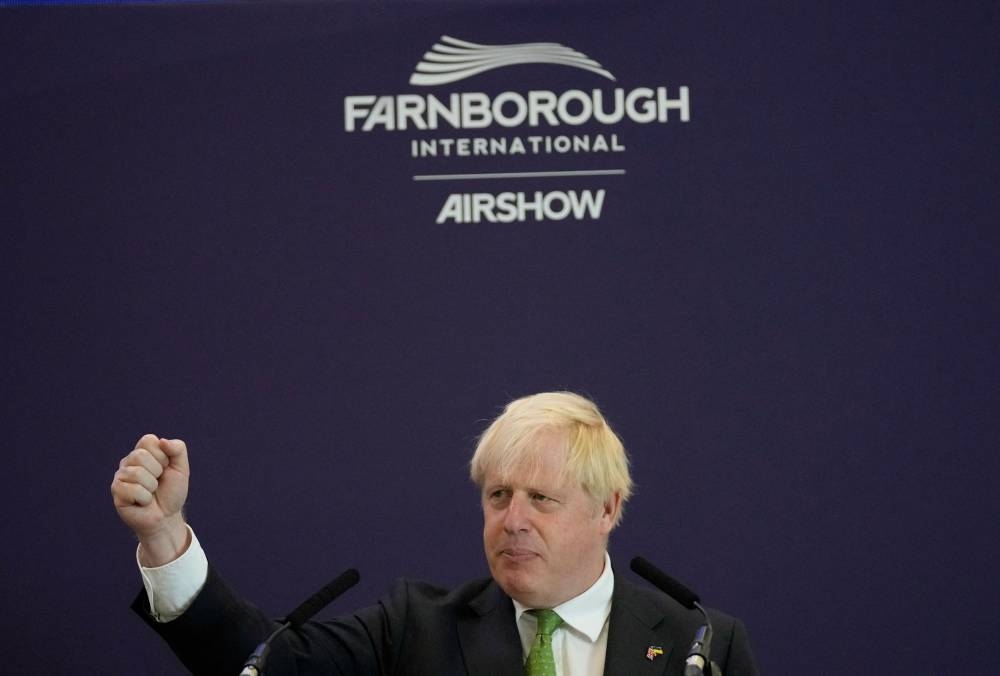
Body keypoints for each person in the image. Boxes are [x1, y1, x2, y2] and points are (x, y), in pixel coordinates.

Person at [112, 391, 758, 675]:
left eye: (542, 499)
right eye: (498, 496)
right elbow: (259, 665)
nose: (514, 520)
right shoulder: (415, 627)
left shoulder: (699, 644)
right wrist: (166, 536)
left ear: (608, 509)